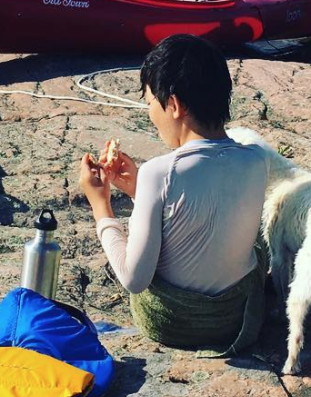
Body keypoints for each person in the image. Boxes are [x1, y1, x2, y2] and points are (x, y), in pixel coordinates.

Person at [78, 33, 268, 353]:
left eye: (151, 102)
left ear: (175, 105)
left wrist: (101, 206)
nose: (151, 114)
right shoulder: (255, 160)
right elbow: (203, 215)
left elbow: (134, 279)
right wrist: (141, 191)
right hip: (234, 318)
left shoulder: (161, 171)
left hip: (174, 321)